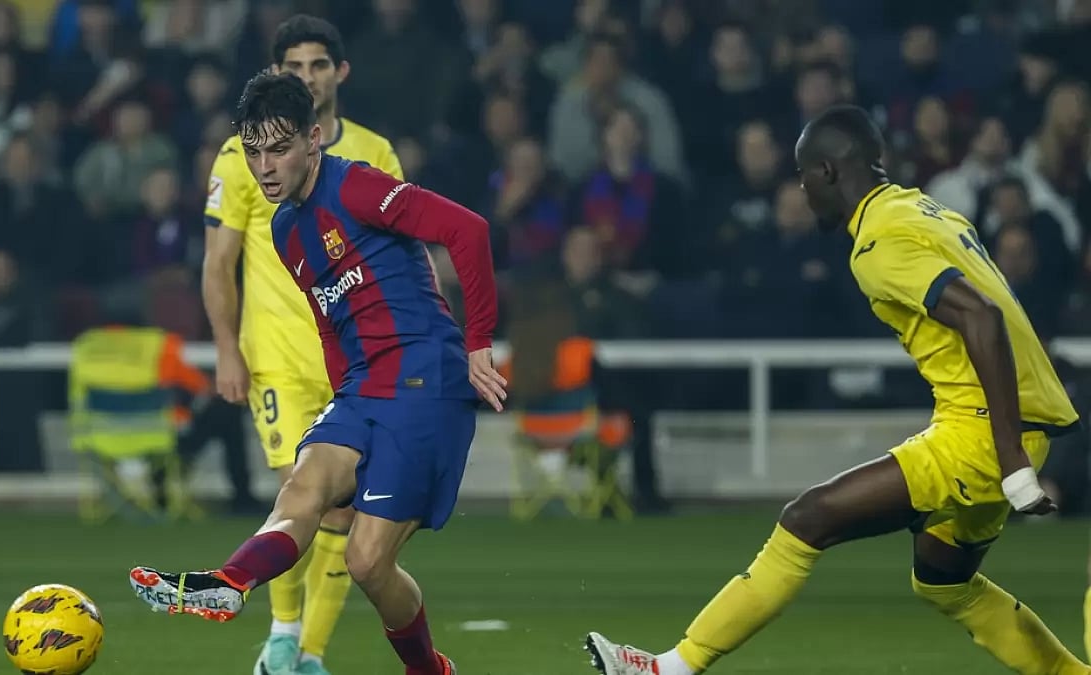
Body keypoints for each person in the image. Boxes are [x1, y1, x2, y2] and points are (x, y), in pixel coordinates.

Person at [585, 104, 1089, 675]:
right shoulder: (930, 210)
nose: (803, 193)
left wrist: (1010, 460)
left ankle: (673, 668)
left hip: (984, 433)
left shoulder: (878, 244)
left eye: (803, 178)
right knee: (944, 581)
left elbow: (984, 320)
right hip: (1015, 420)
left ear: (826, 172)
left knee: (807, 518)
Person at [129, 73, 505, 675]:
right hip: (363, 388)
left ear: (313, 139)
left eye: (278, 149)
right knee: (302, 488)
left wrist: (479, 340)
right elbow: (330, 320)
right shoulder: (284, 229)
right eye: (254, 152)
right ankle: (228, 582)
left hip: (423, 379)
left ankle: (429, 670)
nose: (265, 167)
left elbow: (468, 230)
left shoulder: (355, 185)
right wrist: (343, 398)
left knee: (366, 563)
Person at [200, 14, 403, 675]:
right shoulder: (242, 155)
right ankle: (283, 632)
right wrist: (227, 347)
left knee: (342, 514)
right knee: (298, 489)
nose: (307, 77)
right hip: (279, 359)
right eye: (294, 67)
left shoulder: (374, 151)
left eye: (319, 65)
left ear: (340, 73)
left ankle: (308, 653)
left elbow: (398, 253)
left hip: (356, 363)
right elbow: (218, 260)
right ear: (277, 74)